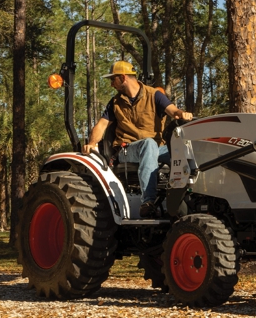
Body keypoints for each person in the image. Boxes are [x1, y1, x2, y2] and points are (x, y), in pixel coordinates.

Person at [82, 60, 193, 218]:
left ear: (123, 77)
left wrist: (182, 114)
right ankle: (148, 202)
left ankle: (186, 201)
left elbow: (173, 111)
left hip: (157, 149)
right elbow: (101, 126)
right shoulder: (115, 103)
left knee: (184, 153)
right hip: (127, 149)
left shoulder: (154, 95)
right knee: (148, 144)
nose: (112, 84)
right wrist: (91, 143)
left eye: (113, 79)